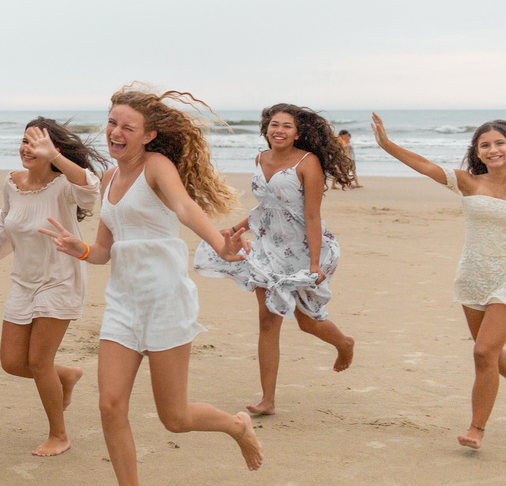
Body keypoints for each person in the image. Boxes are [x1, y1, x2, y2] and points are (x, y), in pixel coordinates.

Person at [40, 85, 262, 486]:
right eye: (112, 123)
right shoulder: (108, 182)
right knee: (109, 404)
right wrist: (75, 247)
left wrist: (222, 245)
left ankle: (236, 425)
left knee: (174, 417)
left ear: (149, 135)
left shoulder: (156, 167)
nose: (116, 132)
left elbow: (184, 207)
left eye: (128, 127)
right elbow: (103, 250)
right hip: (123, 301)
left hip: (164, 298)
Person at [195, 104, 356, 416]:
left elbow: (311, 214)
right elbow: (264, 209)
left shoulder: (308, 164)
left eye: (287, 126)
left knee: (308, 321)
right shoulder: (260, 158)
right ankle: (267, 399)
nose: (279, 130)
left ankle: (343, 344)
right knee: (268, 319)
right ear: (266, 128)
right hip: (267, 247)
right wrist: (235, 228)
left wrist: (313, 263)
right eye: (274, 125)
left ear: (298, 134)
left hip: (302, 248)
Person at [0, 119, 107, 456]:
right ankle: (68, 376)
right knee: (12, 361)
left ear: (52, 148)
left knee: (39, 362)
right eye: (24, 141)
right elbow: (4, 218)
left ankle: (59, 435)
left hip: (59, 280)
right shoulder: (12, 182)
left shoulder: (65, 185)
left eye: (36, 143)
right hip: (23, 282)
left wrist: (55, 156)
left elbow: (90, 189)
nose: (26, 148)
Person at [372, 114, 506, 450]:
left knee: (482, 351)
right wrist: (387, 145)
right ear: (477, 151)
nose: (493, 149)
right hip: (474, 276)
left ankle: (476, 429)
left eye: (500, 142)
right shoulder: (468, 182)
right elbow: (425, 165)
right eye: (485, 145)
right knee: (492, 358)